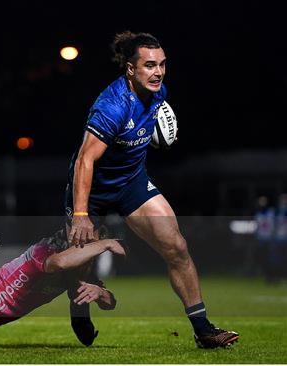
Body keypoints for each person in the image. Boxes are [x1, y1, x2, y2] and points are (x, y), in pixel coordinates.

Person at [64, 31, 238, 348]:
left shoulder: (158, 92)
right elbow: (85, 161)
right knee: (81, 265)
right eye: (149, 65)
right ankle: (79, 308)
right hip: (94, 192)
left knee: (177, 247)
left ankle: (203, 330)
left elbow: (143, 130)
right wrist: (80, 215)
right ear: (130, 69)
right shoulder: (112, 106)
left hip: (132, 184)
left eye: (162, 64)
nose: (157, 72)